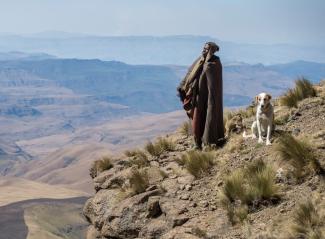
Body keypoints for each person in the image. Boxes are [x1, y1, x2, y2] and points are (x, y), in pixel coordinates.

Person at [177, 42, 224, 149]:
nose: (204, 50)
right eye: (203, 48)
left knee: (208, 117)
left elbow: (214, 84)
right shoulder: (199, 60)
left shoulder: (215, 62)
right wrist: (183, 86)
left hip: (209, 98)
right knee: (196, 119)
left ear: (211, 50)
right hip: (197, 96)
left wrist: (211, 99)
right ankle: (197, 142)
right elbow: (190, 73)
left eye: (206, 49)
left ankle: (209, 141)